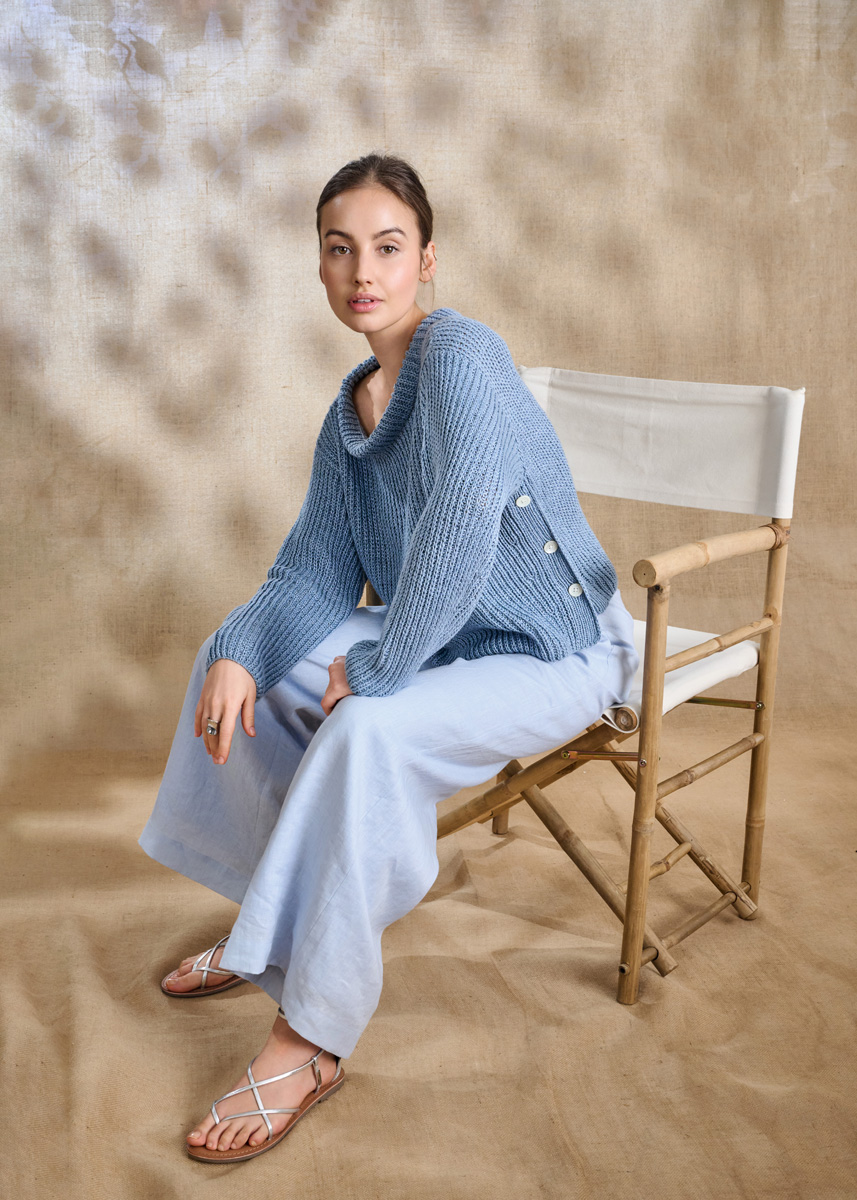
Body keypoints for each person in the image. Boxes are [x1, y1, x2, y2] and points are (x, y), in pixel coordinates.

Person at [138, 152, 640, 1164]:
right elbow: (315, 573)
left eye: (386, 246)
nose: (362, 271)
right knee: (238, 666)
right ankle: (269, 929)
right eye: (339, 249)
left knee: (364, 724)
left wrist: (377, 669)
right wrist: (240, 648)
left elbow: (461, 522)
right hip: (442, 633)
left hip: (554, 646)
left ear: (427, 260)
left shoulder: (462, 353)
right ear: (320, 266)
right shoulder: (351, 409)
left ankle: (309, 1039)